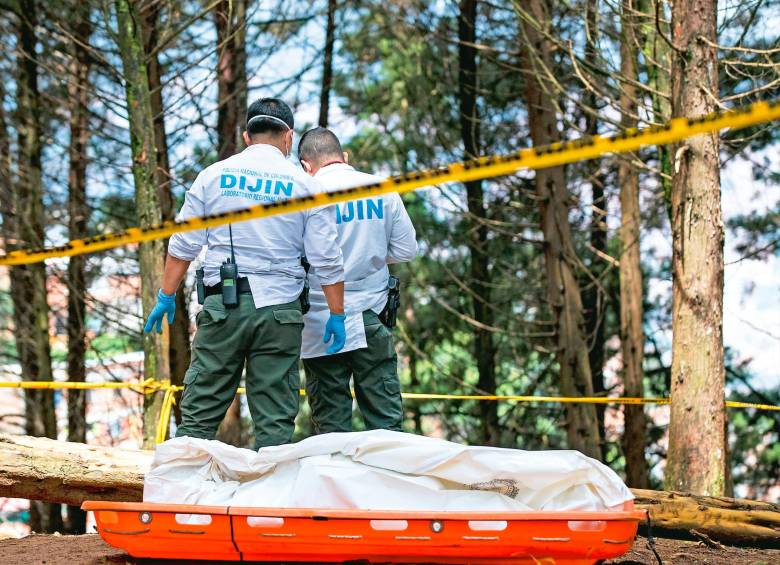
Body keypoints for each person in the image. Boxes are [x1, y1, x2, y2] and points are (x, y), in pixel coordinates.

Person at [143, 99, 347, 450]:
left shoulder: (213, 176)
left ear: (246, 136)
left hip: (225, 309)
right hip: (280, 314)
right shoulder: (306, 186)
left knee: (199, 411)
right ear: (288, 137)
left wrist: (165, 295)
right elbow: (327, 260)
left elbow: (182, 246)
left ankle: (181, 494)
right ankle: (270, 501)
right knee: (275, 422)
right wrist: (337, 313)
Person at [297, 127, 418, 433]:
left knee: (330, 423)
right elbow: (406, 249)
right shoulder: (379, 187)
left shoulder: (304, 195)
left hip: (321, 319)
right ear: (345, 157)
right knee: (385, 418)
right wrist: (372, 254)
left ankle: (337, 479)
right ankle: (390, 477)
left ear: (306, 166)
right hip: (372, 311)